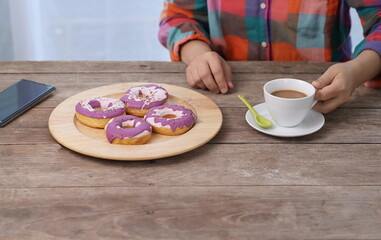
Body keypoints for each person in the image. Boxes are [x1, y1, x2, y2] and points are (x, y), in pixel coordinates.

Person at [158, 0, 381, 113]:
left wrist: (357, 70)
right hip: (223, 101)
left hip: (328, 105)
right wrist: (198, 54)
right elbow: (179, 14)